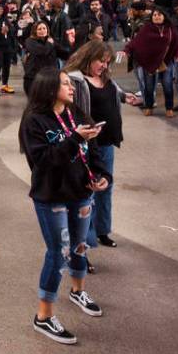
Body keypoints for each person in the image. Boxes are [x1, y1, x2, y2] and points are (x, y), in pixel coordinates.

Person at [19, 68, 111, 344]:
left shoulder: (78, 114)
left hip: (82, 193)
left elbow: (92, 153)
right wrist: (75, 139)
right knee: (58, 252)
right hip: (51, 197)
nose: (72, 88)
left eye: (71, 84)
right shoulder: (34, 122)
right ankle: (43, 316)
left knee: (80, 244)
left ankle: (77, 290)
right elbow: (44, 162)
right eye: (66, 84)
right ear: (49, 88)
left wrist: (101, 176)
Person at [64, 41, 135, 258]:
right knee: (88, 192)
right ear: (89, 58)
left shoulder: (105, 78)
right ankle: (85, 241)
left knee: (106, 187)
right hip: (86, 144)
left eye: (106, 62)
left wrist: (126, 97)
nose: (104, 66)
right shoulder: (75, 80)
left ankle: (103, 230)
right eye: (100, 61)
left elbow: (115, 90)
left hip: (107, 141)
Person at [125, 8, 178, 117]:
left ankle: (169, 108)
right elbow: (135, 42)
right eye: (154, 15)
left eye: (159, 15)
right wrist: (126, 50)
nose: (157, 17)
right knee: (149, 86)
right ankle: (149, 107)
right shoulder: (147, 28)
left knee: (168, 85)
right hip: (149, 62)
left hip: (166, 62)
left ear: (164, 16)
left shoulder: (170, 28)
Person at [22, 21, 59, 96]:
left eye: (44, 28)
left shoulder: (51, 41)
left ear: (47, 29)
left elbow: (64, 53)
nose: (42, 31)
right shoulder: (30, 41)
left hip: (49, 79)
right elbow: (41, 51)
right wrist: (50, 44)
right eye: (39, 29)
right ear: (35, 31)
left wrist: (72, 43)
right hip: (33, 80)